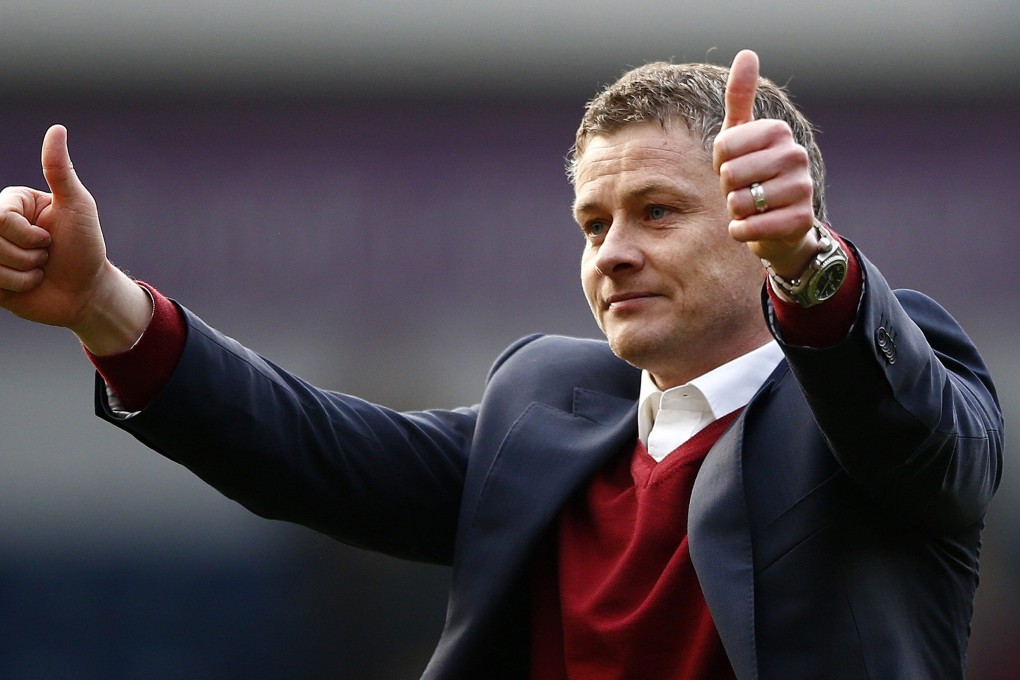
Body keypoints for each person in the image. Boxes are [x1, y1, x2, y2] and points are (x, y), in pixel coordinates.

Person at [0, 49, 1002, 679]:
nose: (610, 249)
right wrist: (101, 306)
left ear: (764, 227)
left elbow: (923, 438)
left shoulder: (875, 384)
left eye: (658, 211)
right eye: (592, 221)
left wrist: (814, 268)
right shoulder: (547, 407)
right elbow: (311, 447)